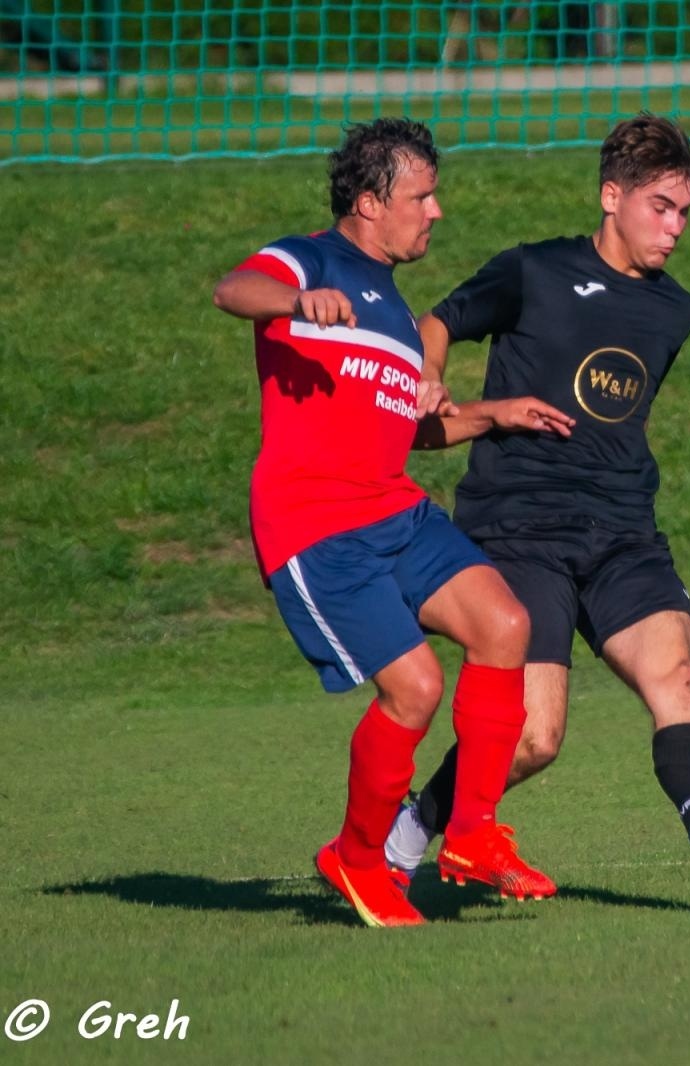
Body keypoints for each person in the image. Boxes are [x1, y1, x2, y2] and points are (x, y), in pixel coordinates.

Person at [385, 113, 690, 914]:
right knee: (529, 739)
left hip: (622, 531)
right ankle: (404, 839)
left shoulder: (673, 312)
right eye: (661, 206)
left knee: (678, 676)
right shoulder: (534, 271)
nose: (675, 228)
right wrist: (428, 375)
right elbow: (438, 322)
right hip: (522, 529)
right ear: (610, 196)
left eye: (685, 213)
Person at [212, 117, 573, 928]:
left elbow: (411, 431)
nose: (436, 210)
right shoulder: (310, 257)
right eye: (423, 195)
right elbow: (232, 290)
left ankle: (472, 834)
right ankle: (357, 856)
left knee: (504, 624)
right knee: (414, 688)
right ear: (371, 202)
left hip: (393, 504)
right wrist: (296, 299)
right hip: (316, 523)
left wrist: (490, 413)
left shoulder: (396, 315)